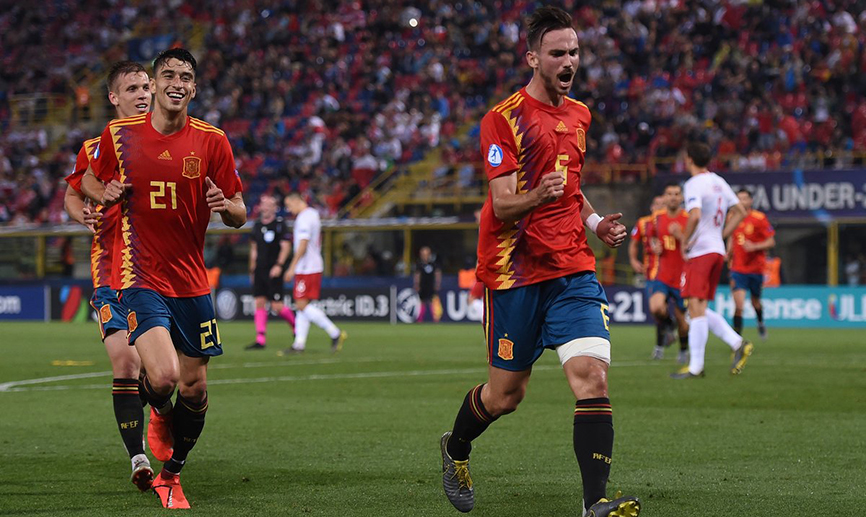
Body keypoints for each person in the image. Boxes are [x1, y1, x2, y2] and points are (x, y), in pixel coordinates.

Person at [439, 7, 640, 517]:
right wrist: (536, 195)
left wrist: (597, 225)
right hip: (514, 273)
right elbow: (503, 203)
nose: (568, 60)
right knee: (506, 395)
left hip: (572, 267)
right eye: (557, 53)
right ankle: (456, 447)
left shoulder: (580, 115)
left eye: (573, 51)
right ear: (533, 58)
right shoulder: (502, 120)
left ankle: (595, 502)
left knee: (592, 377)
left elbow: (572, 190)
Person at [81, 48, 246, 509]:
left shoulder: (213, 141)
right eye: (168, 75)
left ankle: (172, 474)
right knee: (166, 374)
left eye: (186, 77)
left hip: (192, 280)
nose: (177, 83)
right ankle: (158, 412)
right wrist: (103, 191)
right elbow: (89, 182)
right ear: (152, 84)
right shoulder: (119, 134)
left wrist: (227, 207)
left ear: (194, 88)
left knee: (196, 387)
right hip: (140, 275)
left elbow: (239, 209)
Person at [63, 60, 154, 491]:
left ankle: (162, 412)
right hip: (110, 270)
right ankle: (137, 455)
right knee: (125, 363)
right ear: (114, 98)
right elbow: (74, 189)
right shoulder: (96, 145)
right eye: (132, 88)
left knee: (160, 377)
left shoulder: (169, 140)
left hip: (158, 272)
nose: (142, 94)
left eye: (145, 86)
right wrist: (83, 211)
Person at [671, 142, 752, 379]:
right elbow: (740, 211)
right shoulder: (718, 181)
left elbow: (694, 215)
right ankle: (737, 343)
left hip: (701, 252)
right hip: (716, 251)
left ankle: (696, 367)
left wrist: (684, 240)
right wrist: (722, 235)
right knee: (699, 308)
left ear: (689, 159)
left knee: (694, 308)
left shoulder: (694, 183)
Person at [280, 192, 347, 354]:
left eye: (289, 205)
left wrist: (292, 267)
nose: (289, 209)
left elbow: (303, 244)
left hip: (306, 267)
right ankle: (299, 344)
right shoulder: (313, 214)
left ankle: (335, 332)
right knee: (303, 305)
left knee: (300, 304)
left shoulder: (304, 218)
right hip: (313, 265)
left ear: (296, 202)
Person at [629, 195, 677, 356]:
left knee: (676, 310)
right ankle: (669, 327)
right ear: (651, 207)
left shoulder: (670, 222)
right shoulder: (643, 223)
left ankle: (663, 347)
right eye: (657, 204)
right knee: (657, 310)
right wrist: (633, 260)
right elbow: (633, 243)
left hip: (672, 272)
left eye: (662, 205)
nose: (659, 207)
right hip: (651, 273)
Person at [246, 194, 295, 350]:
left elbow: (286, 247)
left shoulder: (280, 224)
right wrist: (252, 269)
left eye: (269, 204)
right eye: (264, 204)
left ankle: (297, 328)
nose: (266, 207)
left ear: (275, 207)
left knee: (277, 306)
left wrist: (279, 265)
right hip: (260, 270)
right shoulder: (257, 225)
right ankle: (260, 339)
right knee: (259, 302)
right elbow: (254, 250)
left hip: (274, 269)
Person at [727, 188, 775, 340]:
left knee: (756, 302)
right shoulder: (732, 216)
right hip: (737, 268)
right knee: (739, 305)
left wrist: (755, 246)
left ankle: (760, 321)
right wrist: (728, 251)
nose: (741, 202)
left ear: (750, 201)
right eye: (738, 199)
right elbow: (731, 237)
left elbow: (771, 241)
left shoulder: (759, 218)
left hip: (756, 268)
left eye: (744, 199)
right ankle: (737, 341)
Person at [650, 183, 690, 363]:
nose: (673, 197)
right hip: (663, 275)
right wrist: (654, 246)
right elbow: (651, 237)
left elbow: (694, 247)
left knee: (684, 324)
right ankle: (669, 324)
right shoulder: (657, 218)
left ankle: (683, 350)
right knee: (656, 307)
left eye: (676, 194)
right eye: (669, 194)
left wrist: (681, 236)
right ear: (664, 198)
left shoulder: (689, 218)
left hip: (683, 277)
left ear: (681, 198)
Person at [414, 246, 442, 322]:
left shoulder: (433, 264)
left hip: (431, 286)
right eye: (423, 254)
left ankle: (436, 318)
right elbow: (417, 275)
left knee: (433, 302)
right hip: (423, 286)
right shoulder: (419, 265)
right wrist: (417, 284)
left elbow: (438, 273)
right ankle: (419, 319)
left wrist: (437, 283)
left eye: (426, 254)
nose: (425, 256)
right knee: (421, 302)